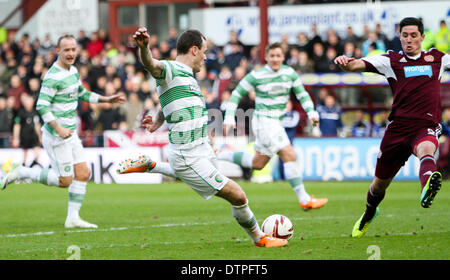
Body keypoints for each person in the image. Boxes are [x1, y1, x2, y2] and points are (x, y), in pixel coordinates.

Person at [116, 27, 287, 247]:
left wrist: (159, 118)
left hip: (199, 148)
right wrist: (144, 48)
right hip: (189, 155)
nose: (206, 57)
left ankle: (151, 165)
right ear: (194, 50)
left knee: (187, 174)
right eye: (204, 52)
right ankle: (259, 238)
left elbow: (169, 99)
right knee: (238, 195)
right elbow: (151, 64)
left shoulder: (186, 76)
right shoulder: (171, 69)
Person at [334, 17, 449, 238]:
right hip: (397, 130)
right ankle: (368, 214)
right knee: (379, 185)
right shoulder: (392, 60)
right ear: (400, 37)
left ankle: (427, 187)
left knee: (427, 149)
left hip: (425, 125)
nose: (409, 40)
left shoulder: (437, 58)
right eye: (404, 35)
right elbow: (358, 64)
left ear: (422, 37)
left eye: (413, 35)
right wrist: (345, 61)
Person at [0, 34, 126, 228]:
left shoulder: (73, 71)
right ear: (58, 51)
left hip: (71, 133)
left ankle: (73, 218)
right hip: (57, 135)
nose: (70, 53)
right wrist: (58, 129)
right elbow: (42, 106)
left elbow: (82, 94)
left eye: (73, 49)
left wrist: (106, 99)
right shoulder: (52, 76)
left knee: (83, 173)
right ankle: (21, 171)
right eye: (66, 49)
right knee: (65, 180)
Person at [219, 42, 328, 210]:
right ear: (266, 57)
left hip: (276, 122)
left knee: (258, 163)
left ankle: (220, 153)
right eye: (272, 56)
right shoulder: (257, 75)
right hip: (264, 121)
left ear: (283, 57)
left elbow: (302, 94)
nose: (275, 59)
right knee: (290, 154)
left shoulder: (290, 73)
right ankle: (304, 199)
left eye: (278, 56)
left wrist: (312, 112)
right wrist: (229, 117)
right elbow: (236, 94)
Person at [12, 94, 42, 167]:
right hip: (24, 136)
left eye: (30, 101)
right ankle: (24, 166)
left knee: (37, 151)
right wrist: (16, 138)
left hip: (34, 136)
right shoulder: (21, 112)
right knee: (25, 154)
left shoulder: (35, 112)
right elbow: (17, 126)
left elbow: (37, 125)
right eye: (26, 101)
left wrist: (40, 136)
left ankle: (34, 164)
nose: (28, 103)